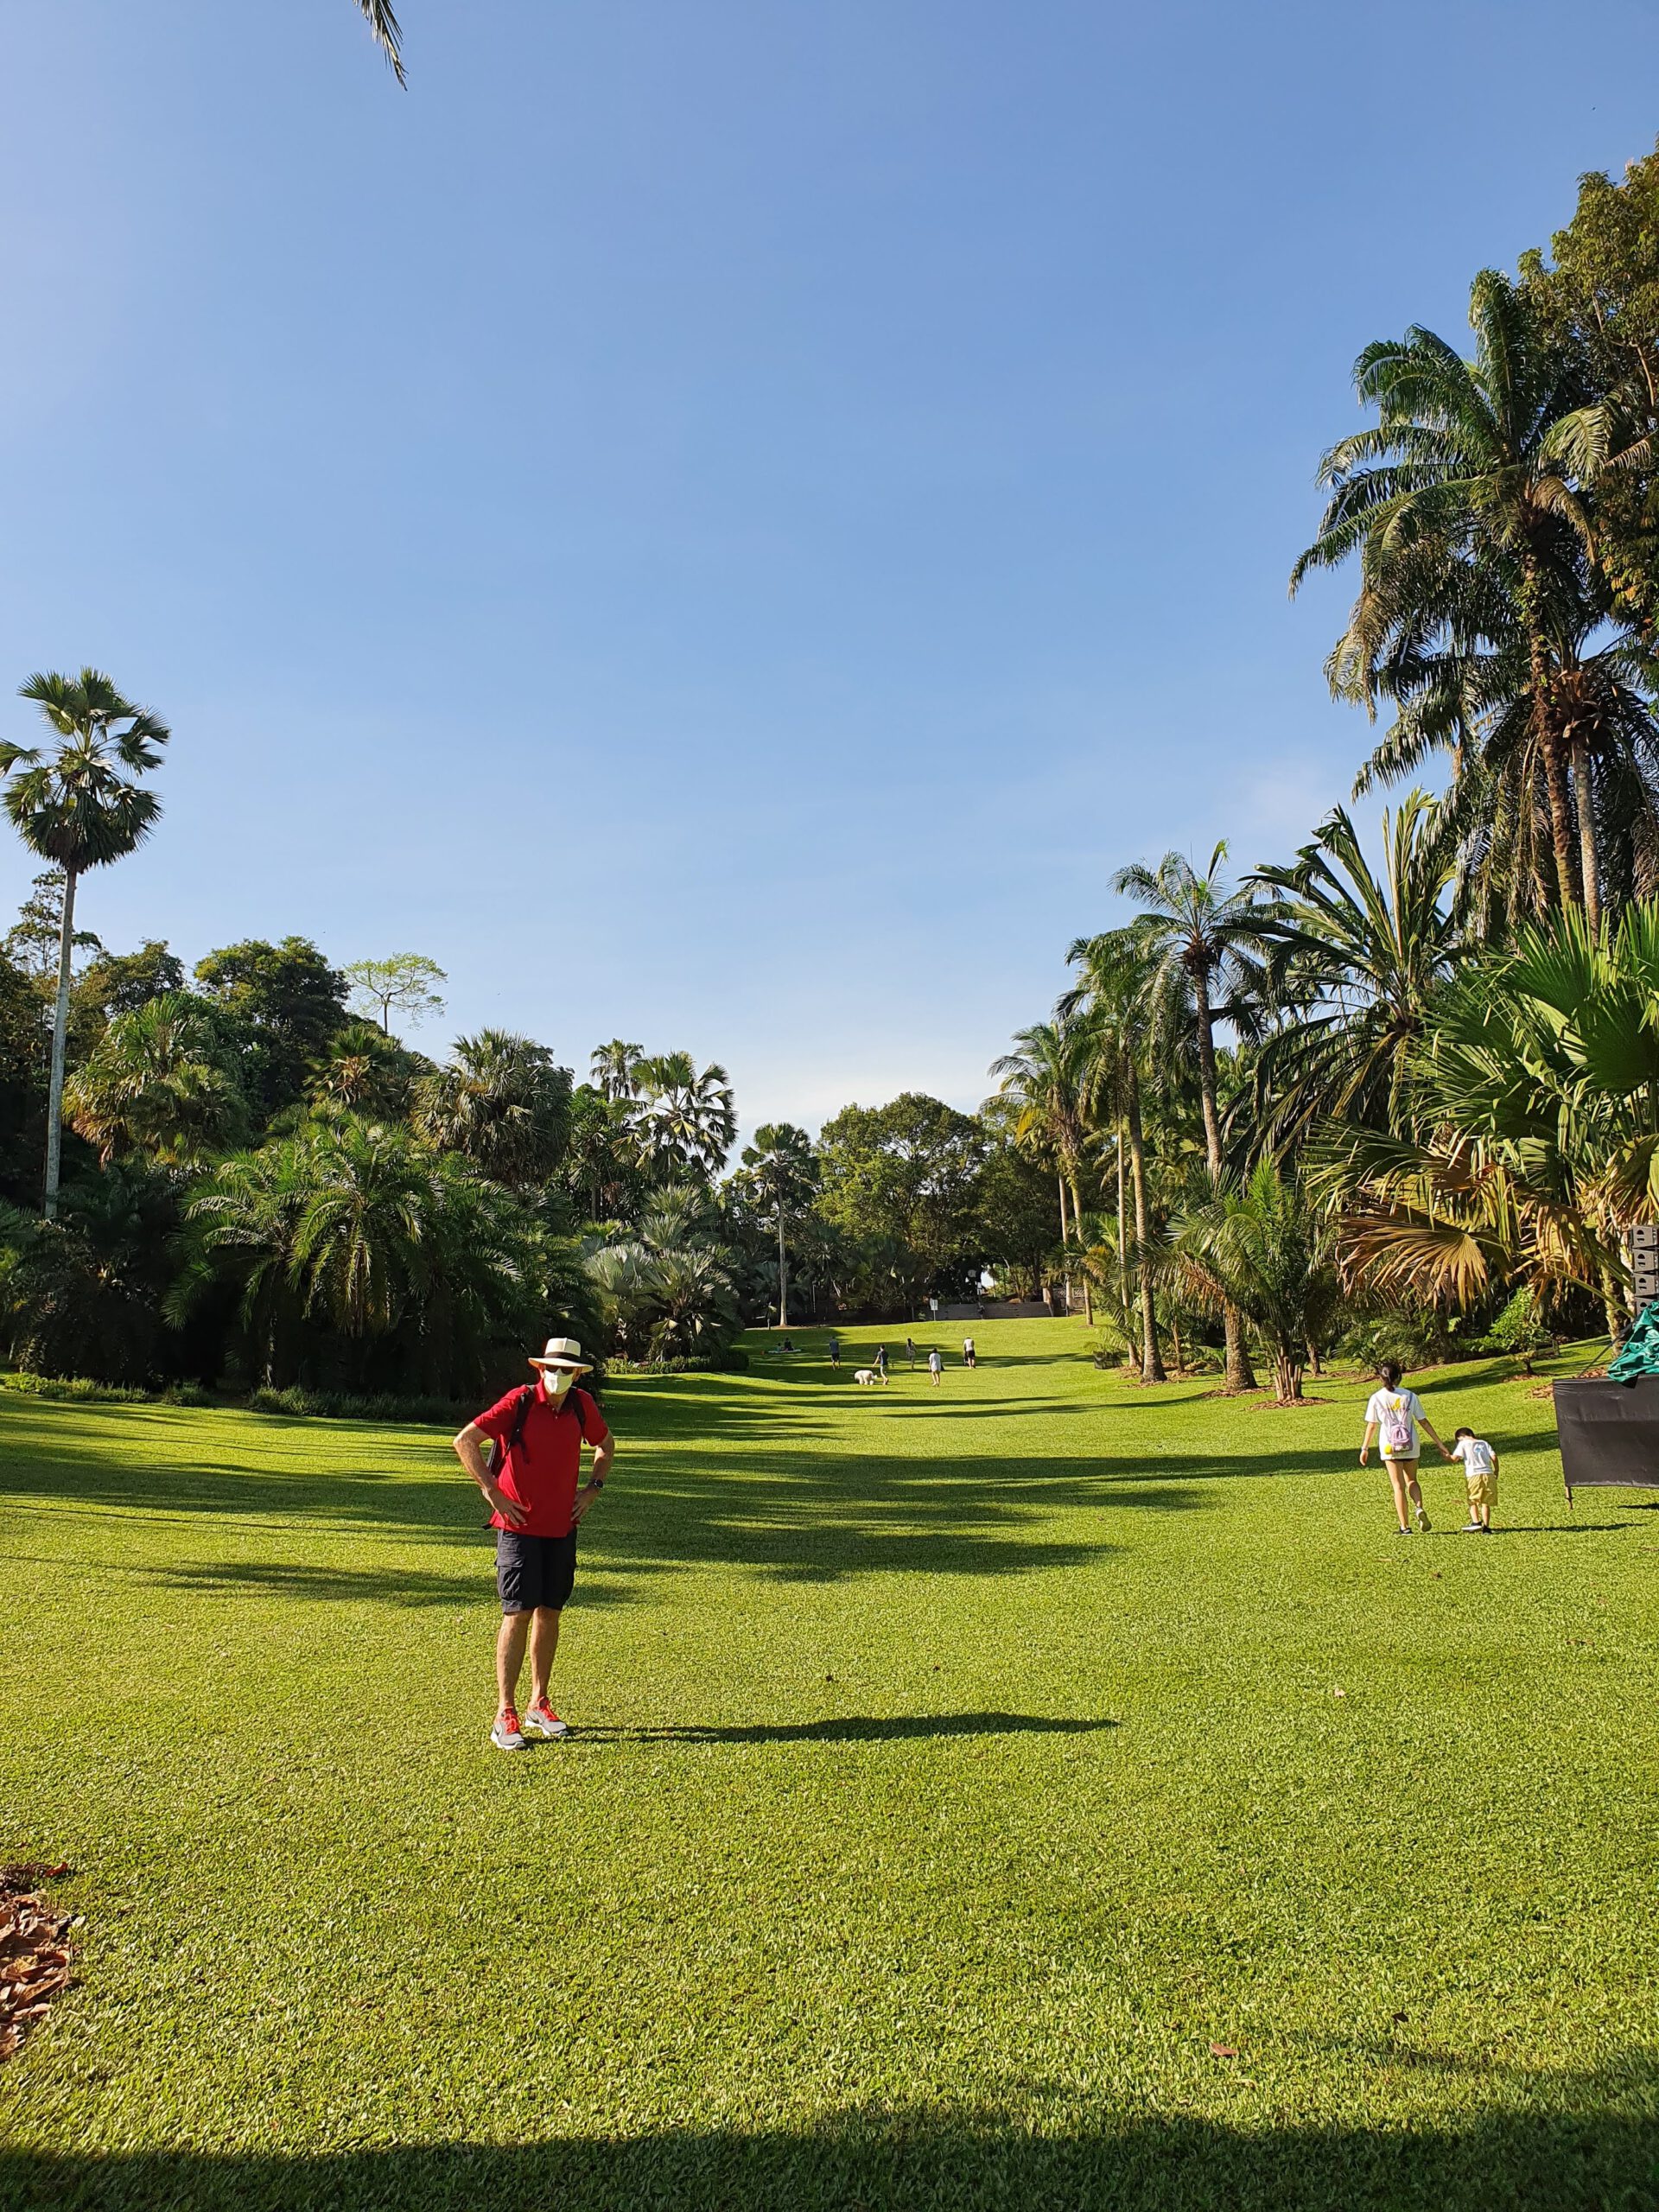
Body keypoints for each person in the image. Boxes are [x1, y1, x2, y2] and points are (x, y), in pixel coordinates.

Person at [453, 1336, 615, 1751]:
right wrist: (492, 1492)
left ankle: (538, 1703)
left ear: (578, 1374)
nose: (557, 1376)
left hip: (561, 1529)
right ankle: (504, 1713)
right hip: (519, 1530)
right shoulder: (519, 1402)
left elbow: (605, 1445)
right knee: (518, 1614)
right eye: (551, 1369)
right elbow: (465, 1441)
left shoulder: (582, 1406)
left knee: (550, 1613)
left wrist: (593, 1488)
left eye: (566, 1370)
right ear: (538, 1369)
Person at [1360, 1360, 1452, 1534]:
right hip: (1411, 1444)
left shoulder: (1376, 1398)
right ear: (1399, 1377)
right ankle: (1419, 1507)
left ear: (1381, 1378)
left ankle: (1405, 1527)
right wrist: (1440, 1444)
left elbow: (1372, 1426)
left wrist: (1365, 1448)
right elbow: (1423, 1422)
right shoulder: (1410, 1396)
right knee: (1412, 1480)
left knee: (1398, 1486)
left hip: (1389, 1447)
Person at [1451, 1425, 1499, 1532]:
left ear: (1460, 1437)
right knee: (1485, 1502)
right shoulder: (1484, 1443)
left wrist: (1445, 1455)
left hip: (1473, 1475)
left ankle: (1476, 1522)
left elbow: (1454, 1459)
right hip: (1488, 1474)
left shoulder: (1463, 1443)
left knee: (1472, 1500)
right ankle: (1486, 1527)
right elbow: (1494, 1457)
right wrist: (1496, 1470)